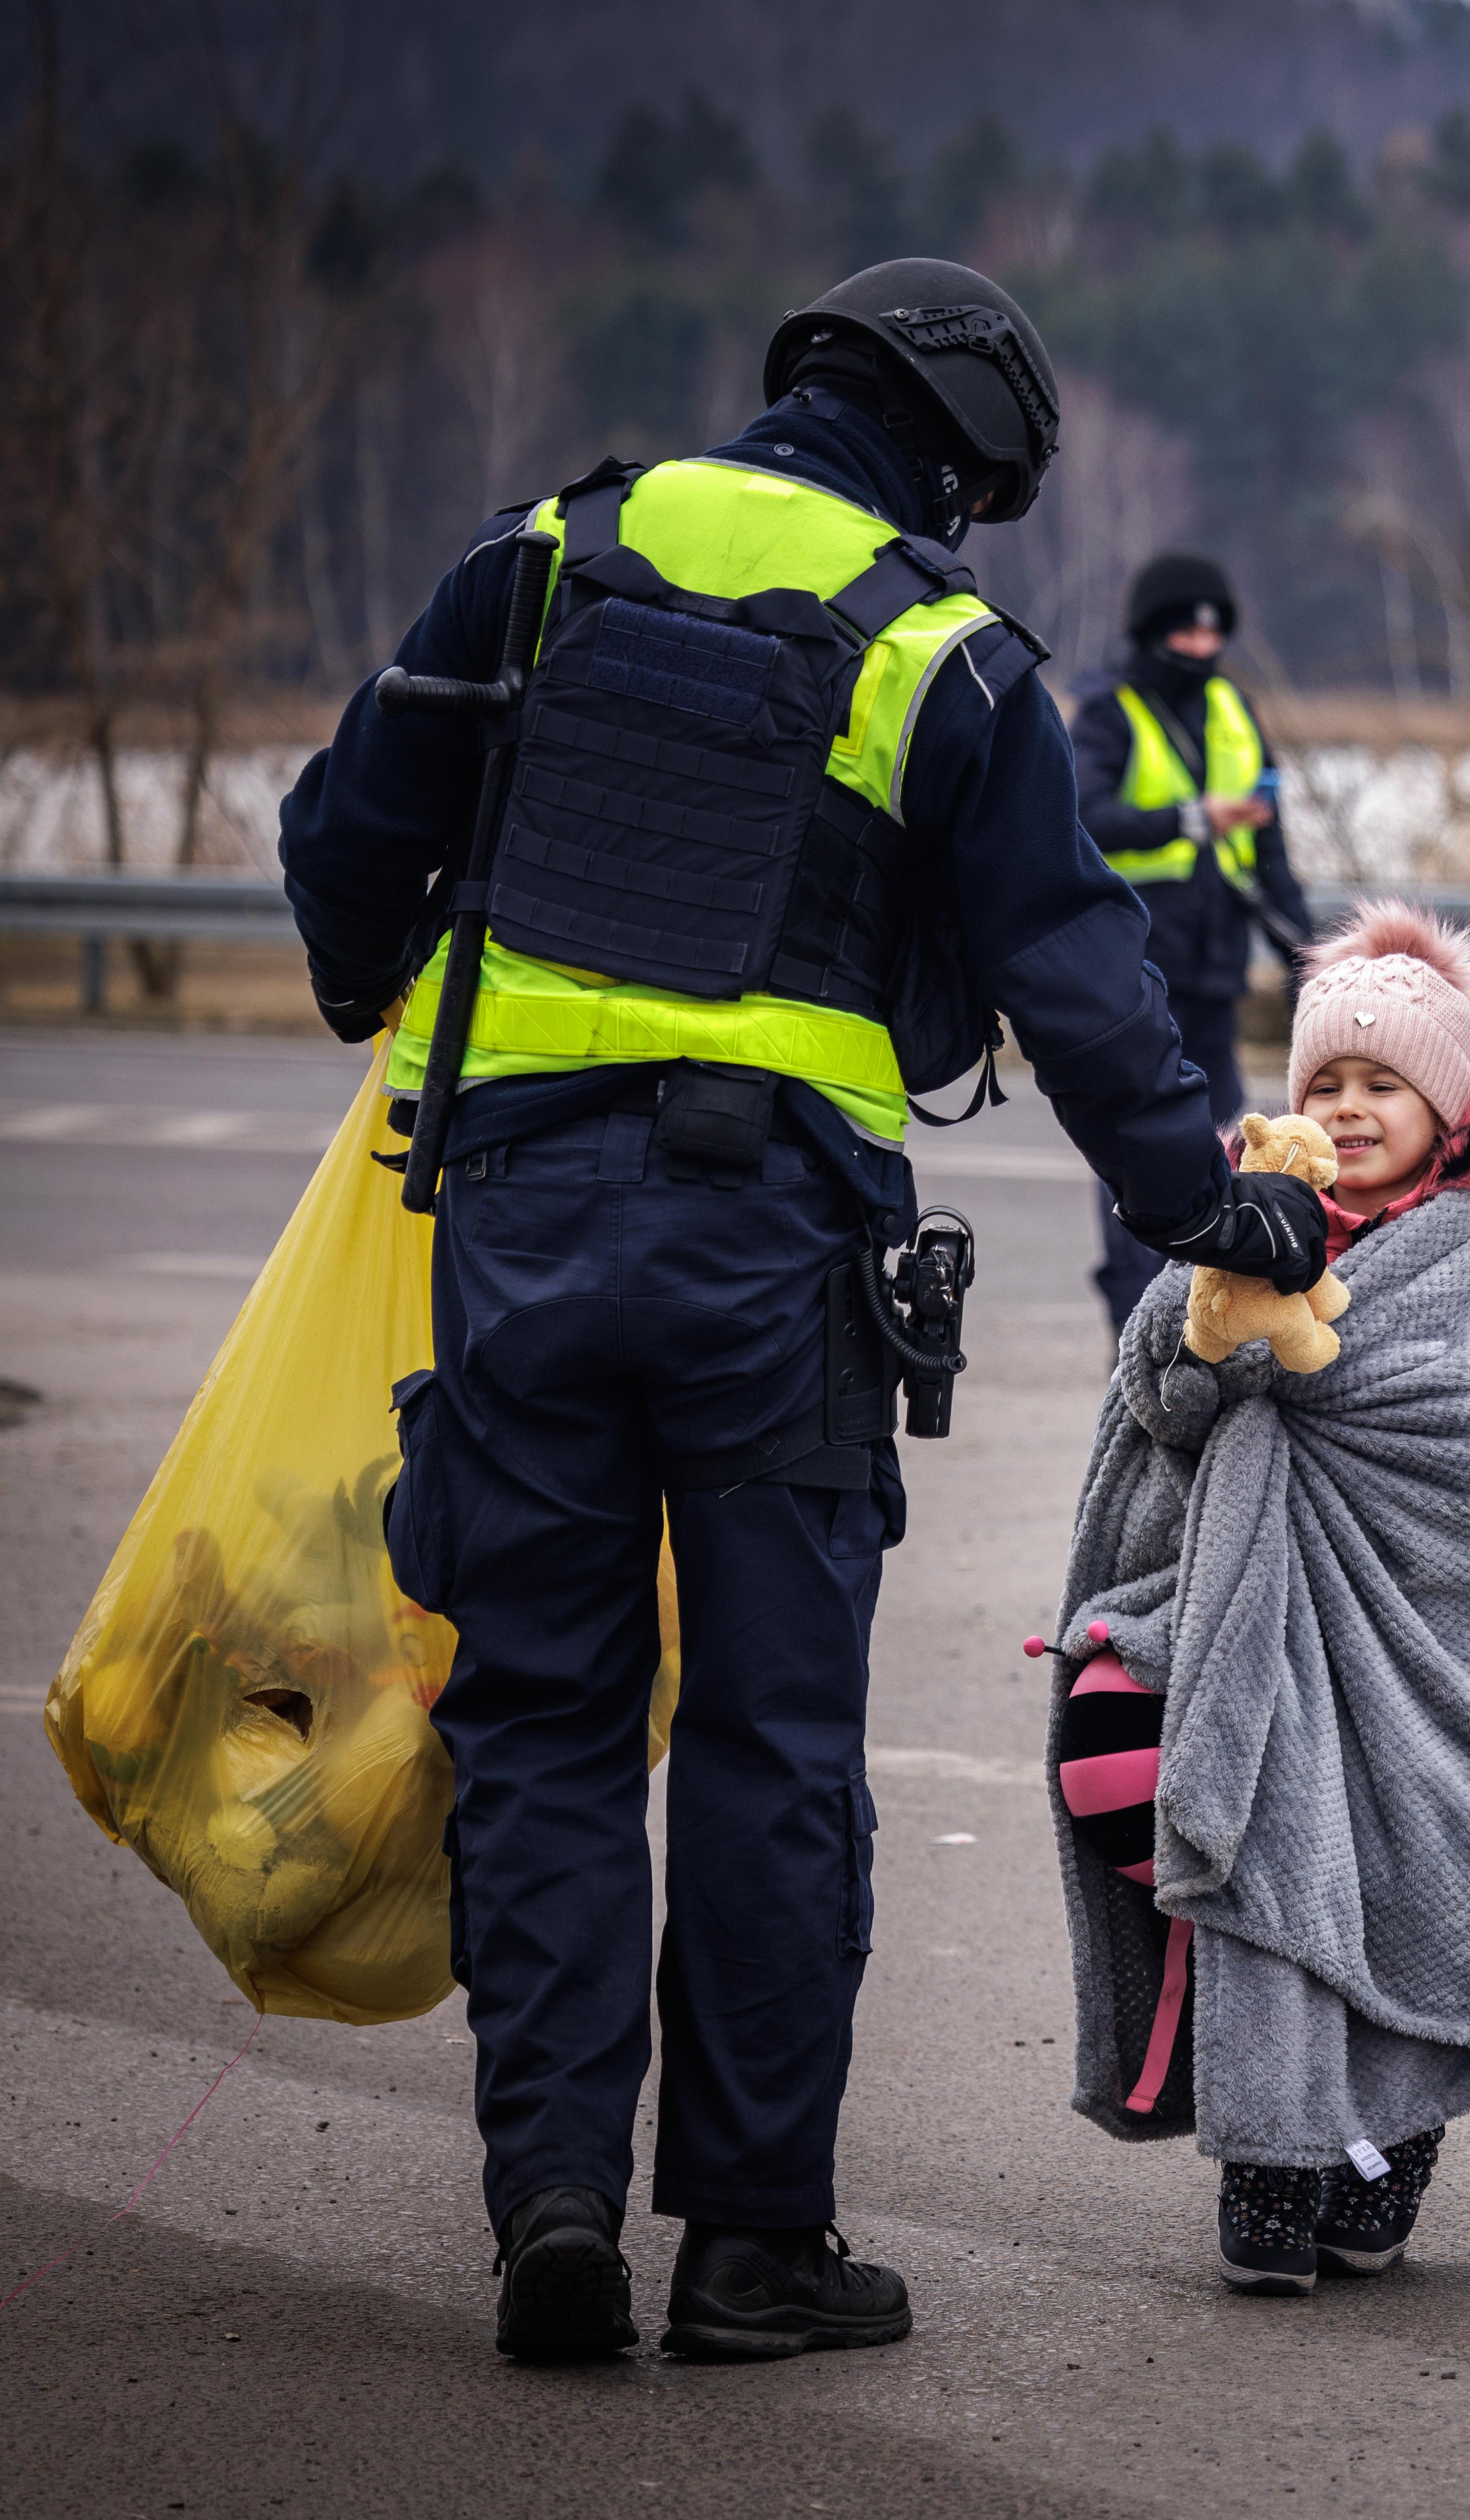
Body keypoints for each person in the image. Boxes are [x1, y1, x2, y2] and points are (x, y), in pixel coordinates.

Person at [278, 259, 1331, 2366]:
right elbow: (1074, 969)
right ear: (953, 452)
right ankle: (753, 2245)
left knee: (546, 1725)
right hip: (775, 1257)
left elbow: (344, 833)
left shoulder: (546, 557)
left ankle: (553, 2198)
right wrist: (1207, 1198)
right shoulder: (937, 651)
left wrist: (365, 985)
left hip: (515, 1230)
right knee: (770, 1748)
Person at [1050, 903, 1470, 2299]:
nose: (1348, 1107)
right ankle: (1292, 2116)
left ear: (1445, 1106)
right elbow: (1159, 1391)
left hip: (1434, 1638)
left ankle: (1352, 2134)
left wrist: (1320, 1385)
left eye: (1382, 1083)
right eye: (1325, 1082)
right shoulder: (1251, 1203)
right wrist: (1223, 1306)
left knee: (1349, 1839)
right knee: (1127, 1761)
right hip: (1237, 1604)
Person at [1076, 552, 1312, 1328]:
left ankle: (1204, 1329)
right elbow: (1081, 814)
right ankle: (1134, 1338)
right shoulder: (1111, 712)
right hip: (1131, 978)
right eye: (1185, 630)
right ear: (1152, 632)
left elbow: (1270, 851)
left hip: (1214, 979)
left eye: (1215, 632)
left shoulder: (1235, 712)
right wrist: (1189, 820)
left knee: (1219, 1159)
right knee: (1135, 1161)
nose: (1203, 645)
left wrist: (1307, 959)